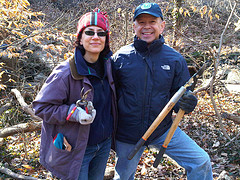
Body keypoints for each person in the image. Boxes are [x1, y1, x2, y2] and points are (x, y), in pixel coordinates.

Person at [112, 3, 213, 180]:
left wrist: (188, 103)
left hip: (163, 130)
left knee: (201, 162)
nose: (147, 26)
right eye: (141, 22)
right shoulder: (120, 57)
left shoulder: (174, 59)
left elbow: (181, 98)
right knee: (122, 177)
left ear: (162, 25)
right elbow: (109, 96)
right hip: (128, 133)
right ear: (134, 26)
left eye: (152, 21)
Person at [33, 8, 117, 180]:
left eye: (101, 33)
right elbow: (41, 108)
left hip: (104, 144)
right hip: (77, 148)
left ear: (106, 39)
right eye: (89, 32)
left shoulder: (110, 66)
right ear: (80, 37)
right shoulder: (65, 72)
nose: (95, 37)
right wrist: (72, 113)